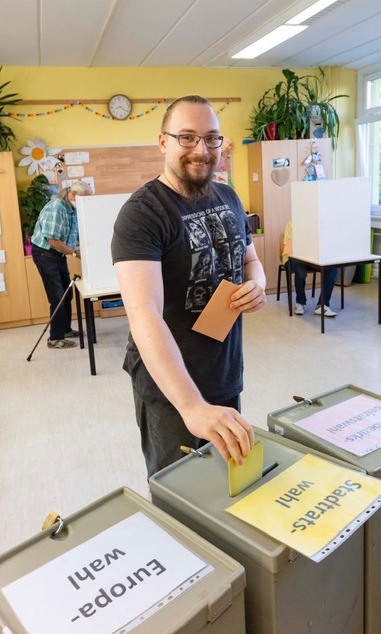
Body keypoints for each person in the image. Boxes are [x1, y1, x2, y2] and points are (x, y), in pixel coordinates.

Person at [111, 95, 267, 477]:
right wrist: (191, 406)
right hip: (171, 387)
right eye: (187, 137)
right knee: (178, 491)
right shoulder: (142, 215)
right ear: (163, 142)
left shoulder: (229, 197)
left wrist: (258, 285)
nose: (201, 150)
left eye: (211, 138)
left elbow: (250, 261)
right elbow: (143, 313)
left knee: (225, 477)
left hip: (224, 368)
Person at [30, 181, 93, 350]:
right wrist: (74, 253)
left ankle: (65, 330)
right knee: (57, 297)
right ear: (72, 195)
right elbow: (52, 240)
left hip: (58, 254)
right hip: (45, 253)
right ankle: (55, 339)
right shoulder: (57, 207)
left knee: (67, 293)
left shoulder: (72, 209)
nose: (85, 204)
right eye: (83, 199)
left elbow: (73, 234)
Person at [281, 220, 338, 316]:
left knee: (333, 268)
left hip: (311, 258)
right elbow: (290, 249)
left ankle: (322, 305)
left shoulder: (317, 223)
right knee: (301, 272)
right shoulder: (291, 223)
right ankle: (300, 302)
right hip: (292, 257)